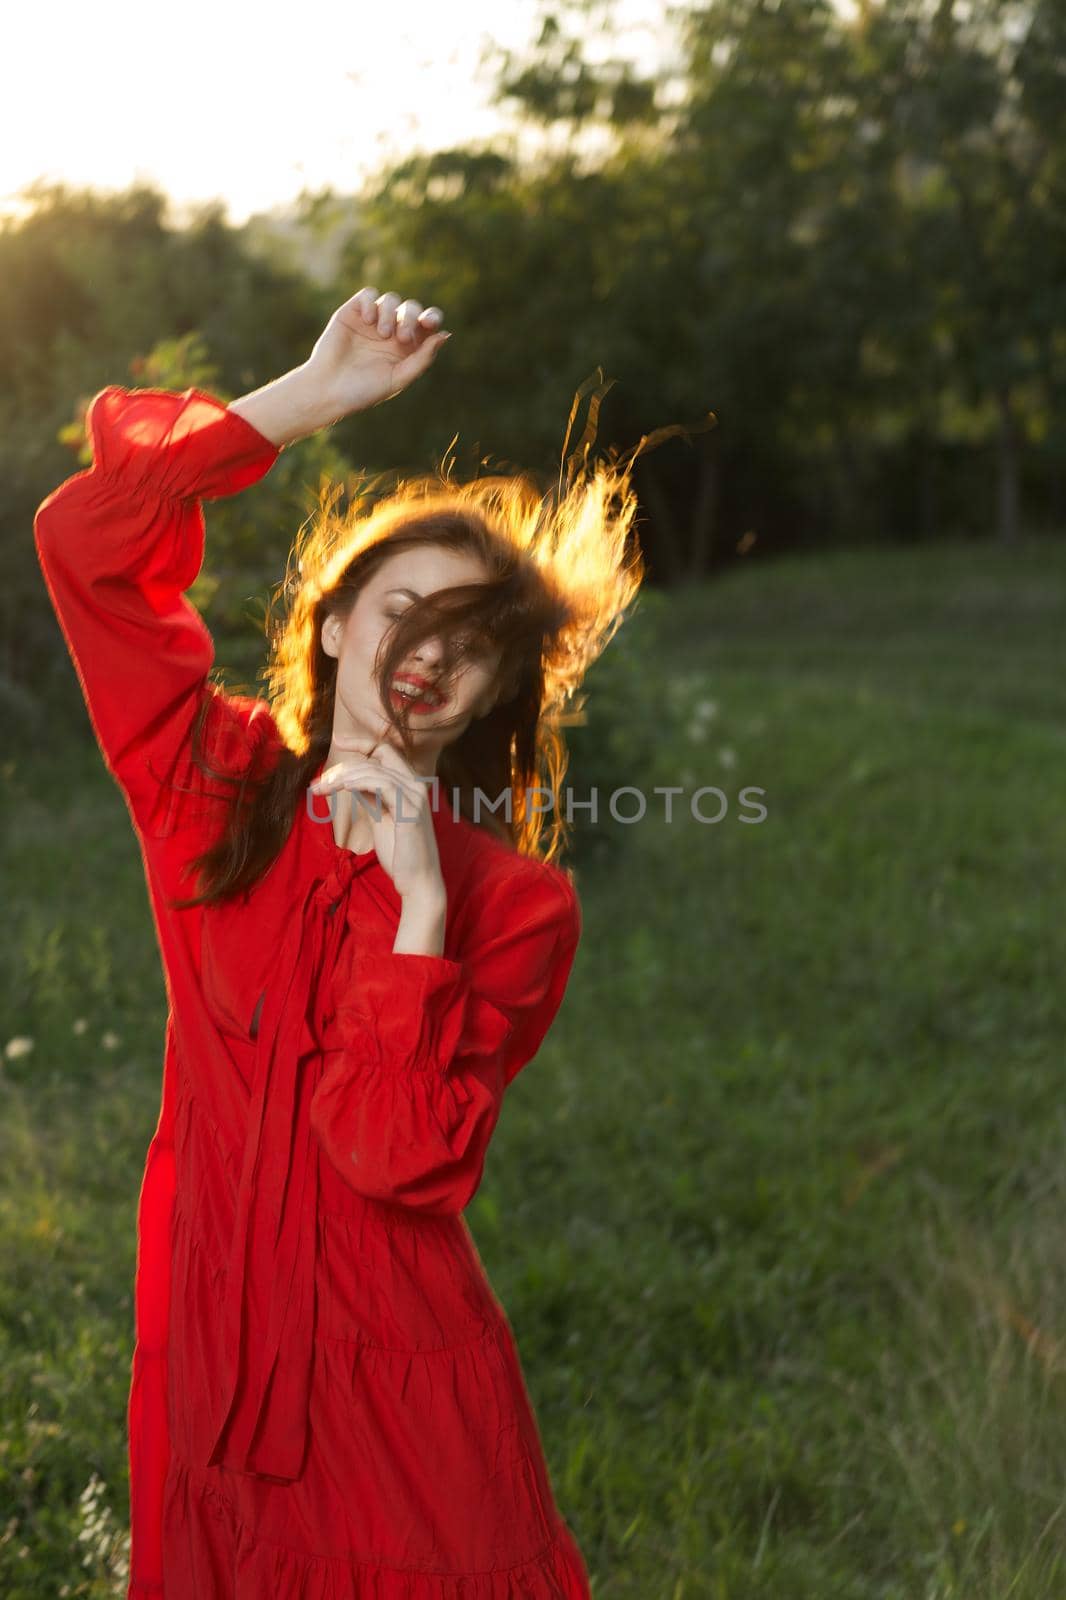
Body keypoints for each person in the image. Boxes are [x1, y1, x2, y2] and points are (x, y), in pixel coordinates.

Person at [34, 285, 644, 1598]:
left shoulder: (514, 905)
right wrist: (309, 398)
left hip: (392, 1373)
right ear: (330, 620)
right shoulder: (212, 782)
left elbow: (395, 1162)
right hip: (206, 1339)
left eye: (470, 645)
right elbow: (84, 538)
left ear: (492, 694)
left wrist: (416, 911)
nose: (427, 654)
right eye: (400, 611)